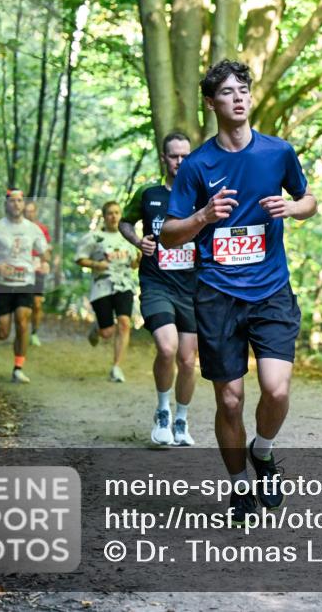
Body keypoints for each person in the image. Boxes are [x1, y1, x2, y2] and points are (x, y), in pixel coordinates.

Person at [161, 60, 316, 520]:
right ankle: (239, 487)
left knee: (277, 389)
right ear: (211, 103)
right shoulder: (197, 165)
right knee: (229, 399)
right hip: (216, 295)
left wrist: (291, 208)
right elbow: (170, 233)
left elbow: (310, 200)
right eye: (227, 92)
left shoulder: (277, 152)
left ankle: (263, 452)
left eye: (243, 90)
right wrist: (204, 217)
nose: (238, 97)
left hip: (271, 290)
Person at [120, 132, 199, 446]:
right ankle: (163, 411)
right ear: (163, 158)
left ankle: (181, 420)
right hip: (156, 284)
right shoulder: (148, 192)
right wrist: (138, 241)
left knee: (188, 360)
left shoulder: (202, 194)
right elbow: (125, 222)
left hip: (192, 288)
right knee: (166, 348)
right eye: (173, 156)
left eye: (184, 156)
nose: (179, 162)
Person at [0, 189, 49, 383]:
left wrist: (43, 261)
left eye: (19, 201)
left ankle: (18, 368)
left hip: (25, 282)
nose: (16, 204)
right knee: (4, 330)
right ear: (6, 204)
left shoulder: (33, 229)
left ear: (23, 205)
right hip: (1, 284)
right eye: (12, 201)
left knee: (22, 321)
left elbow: (44, 253)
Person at [75, 201, 139, 383]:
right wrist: (96, 264)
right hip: (101, 285)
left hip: (124, 284)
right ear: (104, 216)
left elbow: (133, 263)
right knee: (107, 333)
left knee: (125, 322)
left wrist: (139, 261)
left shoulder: (129, 237)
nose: (114, 216)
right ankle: (98, 328)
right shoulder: (94, 237)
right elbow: (79, 259)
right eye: (110, 213)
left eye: (117, 213)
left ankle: (117, 367)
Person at [23, 200, 52, 347]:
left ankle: (34, 333)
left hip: (37, 268)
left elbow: (47, 250)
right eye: (26, 211)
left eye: (32, 211)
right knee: (23, 305)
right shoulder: (18, 228)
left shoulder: (42, 229)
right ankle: (22, 330)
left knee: (37, 303)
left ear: (36, 212)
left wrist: (46, 260)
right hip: (21, 269)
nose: (29, 214)